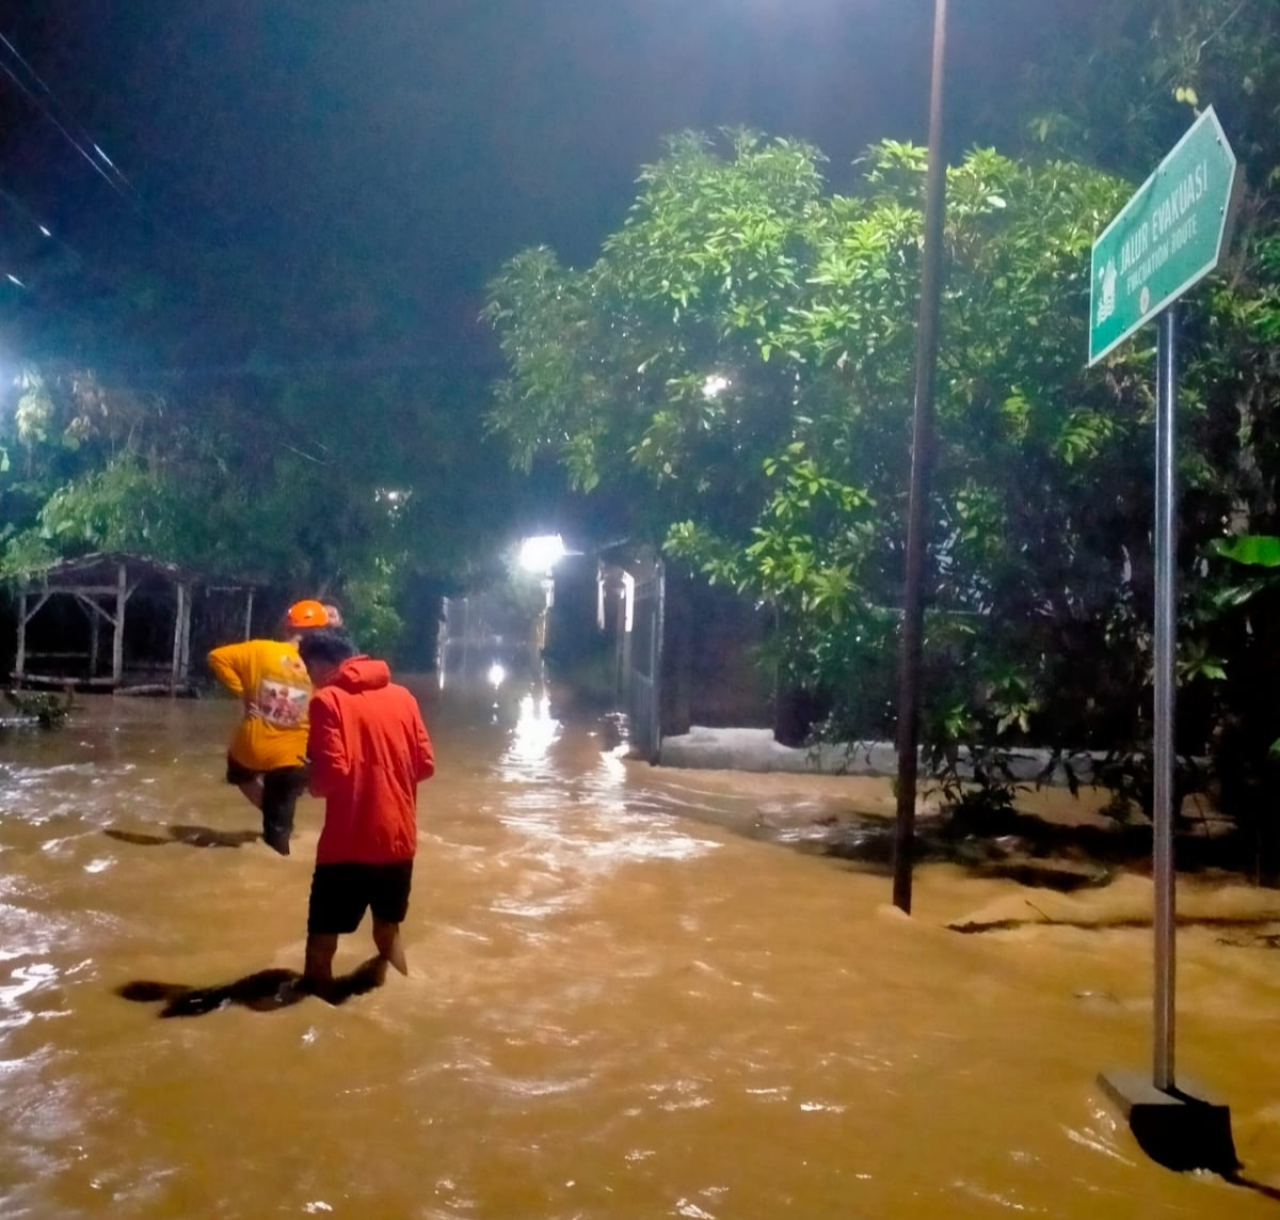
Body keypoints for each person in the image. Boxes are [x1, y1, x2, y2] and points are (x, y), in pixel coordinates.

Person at [296, 627, 435, 997]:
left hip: (349, 844)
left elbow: (333, 775)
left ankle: (315, 1018)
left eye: (308, 671)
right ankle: (405, 992)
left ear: (321, 664)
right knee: (387, 930)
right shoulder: (404, 697)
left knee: (321, 943)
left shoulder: (327, 701)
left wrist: (310, 780)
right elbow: (425, 765)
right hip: (399, 841)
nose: (310, 681)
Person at [207, 599, 330, 855]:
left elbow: (216, 657)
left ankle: (272, 808)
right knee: (278, 840)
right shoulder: (324, 669)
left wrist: (242, 692)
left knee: (239, 772)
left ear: (287, 629)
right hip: (293, 760)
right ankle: (278, 823)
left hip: (251, 750)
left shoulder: (260, 650)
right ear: (323, 634)